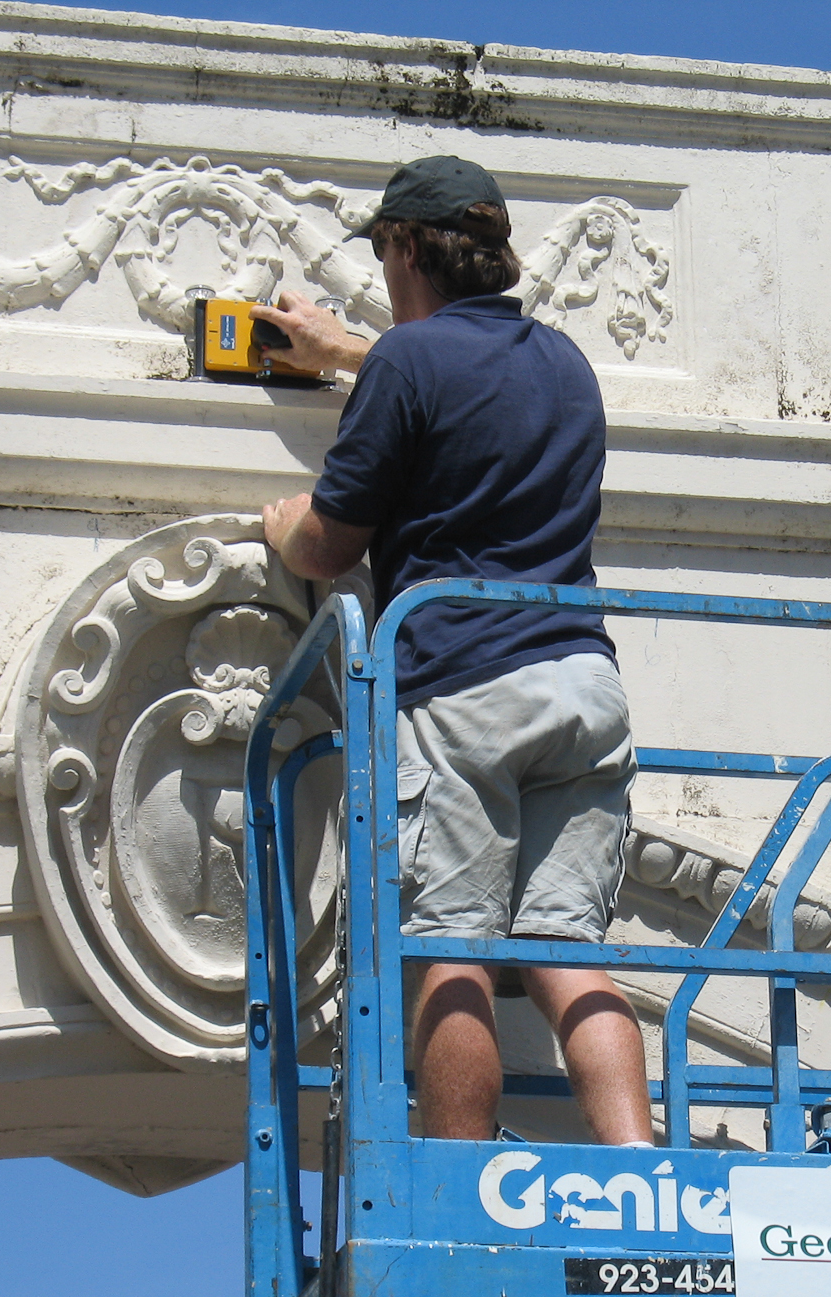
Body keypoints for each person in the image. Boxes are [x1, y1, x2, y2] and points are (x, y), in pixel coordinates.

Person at [260, 155, 654, 1148]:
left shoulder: (406, 362)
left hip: (464, 687)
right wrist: (352, 355)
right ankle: (639, 1162)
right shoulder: (563, 360)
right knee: (568, 950)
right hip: (582, 684)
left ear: (402, 246)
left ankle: (456, 1180)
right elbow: (457, 386)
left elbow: (328, 544)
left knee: (450, 953)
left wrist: (278, 528)